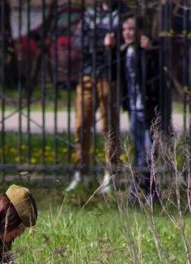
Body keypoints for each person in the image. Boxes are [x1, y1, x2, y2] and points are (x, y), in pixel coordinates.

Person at [67, 0, 125, 194]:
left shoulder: (122, 14)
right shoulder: (89, 15)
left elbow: (128, 42)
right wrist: (100, 43)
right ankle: (81, 172)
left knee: (109, 127)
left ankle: (111, 174)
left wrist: (115, 43)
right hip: (87, 73)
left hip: (110, 75)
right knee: (81, 125)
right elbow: (76, 42)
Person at [120, 15, 161, 204]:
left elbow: (155, 73)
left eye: (131, 29)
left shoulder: (147, 51)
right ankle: (140, 190)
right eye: (124, 30)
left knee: (148, 150)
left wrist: (149, 49)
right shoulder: (124, 52)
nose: (127, 33)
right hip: (132, 108)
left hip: (147, 107)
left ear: (140, 31)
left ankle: (146, 190)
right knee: (139, 151)